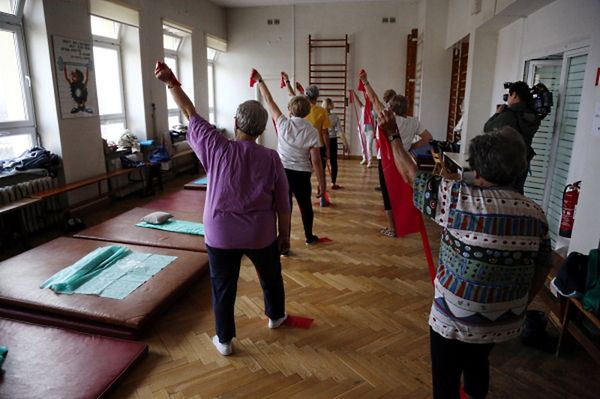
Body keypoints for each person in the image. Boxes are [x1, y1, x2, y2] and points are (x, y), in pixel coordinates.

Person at [379, 107, 552, 399]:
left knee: (445, 377)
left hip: (454, 320)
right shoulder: (536, 214)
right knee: (478, 362)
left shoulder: (460, 199)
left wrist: (393, 134)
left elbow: (411, 176)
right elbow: (543, 266)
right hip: (505, 321)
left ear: (479, 169)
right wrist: (520, 304)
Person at [155, 61, 291, 356]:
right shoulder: (270, 158)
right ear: (262, 129)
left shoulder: (216, 147)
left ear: (236, 123)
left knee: (222, 287)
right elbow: (283, 203)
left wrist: (170, 82)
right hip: (261, 234)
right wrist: (286, 236)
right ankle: (276, 316)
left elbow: (190, 112)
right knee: (271, 277)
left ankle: (225, 340)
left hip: (221, 234)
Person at [253, 69, 326, 247]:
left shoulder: (283, 123)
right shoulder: (311, 130)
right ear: (308, 110)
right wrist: (322, 184)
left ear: (290, 110)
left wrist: (260, 80)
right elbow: (316, 161)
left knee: (285, 209)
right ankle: (309, 237)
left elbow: (269, 101)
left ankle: (284, 244)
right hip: (302, 175)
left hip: (283, 173)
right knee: (305, 206)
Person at [358, 71, 433, 237]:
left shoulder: (388, 118)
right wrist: (412, 146)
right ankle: (402, 224)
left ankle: (393, 228)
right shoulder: (413, 121)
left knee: (388, 194)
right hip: (405, 160)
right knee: (402, 193)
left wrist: (365, 82)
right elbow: (428, 138)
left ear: (391, 107)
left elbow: (374, 99)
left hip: (387, 162)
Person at [483, 81, 541, 194]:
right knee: (517, 193)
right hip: (524, 160)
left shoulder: (509, 115)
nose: (508, 98)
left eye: (509, 95)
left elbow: (487, 128)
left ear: (514, 95)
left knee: (502, 193)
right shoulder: (533, 117)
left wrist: (497, 114)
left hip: (507, 162)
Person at [303, 84, 331, 206]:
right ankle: (322, 199)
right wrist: (328, 149)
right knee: (321, 172)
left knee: (306, 174)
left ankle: (305, 199)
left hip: (304, 147)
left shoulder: (301, 110)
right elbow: (325, 133)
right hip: (319, 146)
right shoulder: (322, 111)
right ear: (317, 96)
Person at [350, 89, 375, 167]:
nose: (369, 103)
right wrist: (353, 93)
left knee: (368, 146)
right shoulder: (363, 108)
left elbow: (377, 122)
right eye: (368, 102)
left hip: (370, 131)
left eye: (370, 103)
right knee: (363, 145)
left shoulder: (374, 112)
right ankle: (364, 158)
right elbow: (358, 102)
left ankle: (370, 161)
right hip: (362, 129)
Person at [322, 98, 342, 189]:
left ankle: (321, 185)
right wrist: (345, 144)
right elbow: (340, 132)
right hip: (332, 140)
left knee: (321, 163)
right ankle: (333, 183)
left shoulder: (320, 115)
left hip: (322, 140)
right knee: (334, 162)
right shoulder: (335, 117)